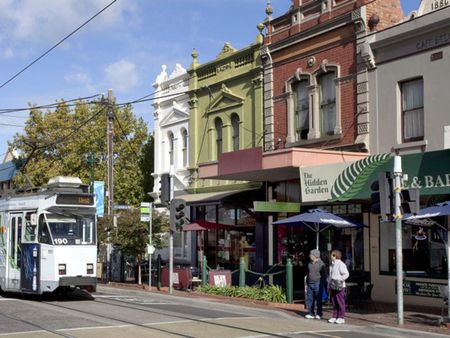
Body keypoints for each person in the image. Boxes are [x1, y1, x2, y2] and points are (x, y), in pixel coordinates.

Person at [328, 249, 349, 324]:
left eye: (332, 255)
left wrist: (339, 279)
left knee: (340, 301)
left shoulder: (341, 264)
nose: (330, 256)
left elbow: (346, 274)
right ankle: (334, 316)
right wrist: (329, 285)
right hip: (333, 285)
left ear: (335, 255)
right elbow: (330, 276)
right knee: (334, 302)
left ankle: (341, 317)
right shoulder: (331, 265)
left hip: (339, 286)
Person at [305, 249, 327, 320]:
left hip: (318, 283)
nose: (310, 256)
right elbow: (308, 274)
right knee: (310, 299)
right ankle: (310, 313)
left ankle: (319, 313)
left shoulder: (321, 264)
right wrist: (306, 283)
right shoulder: (309, 264)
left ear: (315, 256)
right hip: (310, 284)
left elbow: (324, 275)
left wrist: (322, 284)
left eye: (311, 254)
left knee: (318, 299)